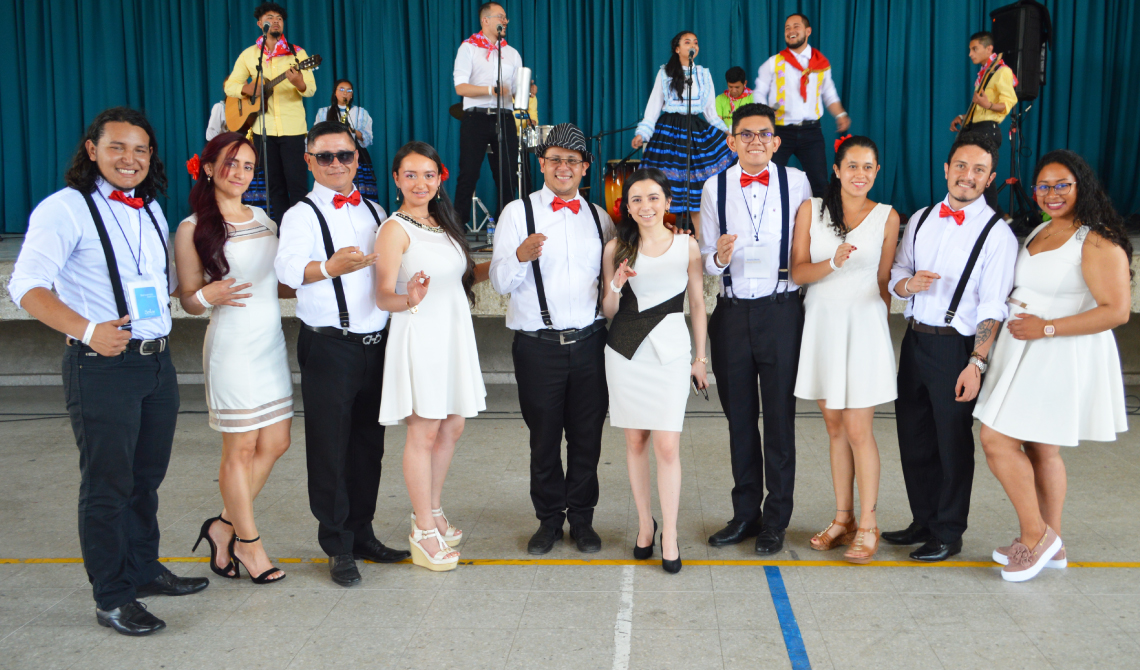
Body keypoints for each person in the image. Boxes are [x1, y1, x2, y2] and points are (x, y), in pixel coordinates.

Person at [7, 107, 208, 635]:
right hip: (101, 366)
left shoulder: (150, 211)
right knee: (107, 485)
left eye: (140, 149)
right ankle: (113, 597)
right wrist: (86, 327)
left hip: (156, 363)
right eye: (117, 147)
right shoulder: (65, 209)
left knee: (146, 479)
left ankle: (142, 569)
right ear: (91, 150)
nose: (130, 159)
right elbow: (26, 287)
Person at [975, 150, 1130, 582]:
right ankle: (1053, 542)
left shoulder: (1096, 239)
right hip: (1024, 346)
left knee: (996, 440)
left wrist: (1046, 328)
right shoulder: (1042, 230)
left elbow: (1116, 310)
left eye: (1062, 185)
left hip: (1055, 350)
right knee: (1042, 447)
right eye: (1044, 186)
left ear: (1082, 186)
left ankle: (1034, 536)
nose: (1052, 194)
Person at [274, 121, 411, 587]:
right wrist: (327, 268)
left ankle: (363, 531)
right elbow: (287, 270)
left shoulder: (376, 210)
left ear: (357, 159)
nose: (337, 164)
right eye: (326, 156)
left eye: (345, 155)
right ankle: (337, 545)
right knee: (330, 449)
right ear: (309, 160)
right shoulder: (301, 214)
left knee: (368, 448)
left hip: (377, 345)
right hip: (330, 345)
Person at [883, 133, 1018, 562]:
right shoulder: (922, 218)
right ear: (946, 169)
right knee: (914, 436)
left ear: (990, 177)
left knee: (952, 443)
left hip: (957, 349)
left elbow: (994, 305)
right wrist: (906, 284)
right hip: (916, 340)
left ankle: (948, 530)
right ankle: (923, 519)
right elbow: (899, 270)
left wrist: (976, 362)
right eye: (961, 166)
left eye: (979, 170)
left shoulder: (998, 234)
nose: (968, 176)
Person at [490, 123, 615, 555]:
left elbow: (615, 281)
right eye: (556, 159)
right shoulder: (516, 213)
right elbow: (499, 282)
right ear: (541, 164)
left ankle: (582, 519)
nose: (564, 167)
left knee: (587, 437)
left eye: (573, 161)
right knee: (543, 438)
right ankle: (548, 520)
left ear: (585, 168)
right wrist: (520, 257)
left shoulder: (601, 219)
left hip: (591, 344)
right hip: (536, 346)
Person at [174, 132, 293, 585]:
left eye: (247, 165)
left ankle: (220, 527)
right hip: (232, 347)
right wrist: (208, 292)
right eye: (230, 163)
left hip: (269, 342)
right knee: (240, 448)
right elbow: (187, 299)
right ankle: (249, 544)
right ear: (207, 168)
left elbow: (276, 278)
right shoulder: (192, 228)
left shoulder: (262, 217)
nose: (240, 173)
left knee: (276, 442)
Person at [699, 103, 811, 555]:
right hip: (730, 314)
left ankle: (776, 520)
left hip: (782, 311)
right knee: (739, 420)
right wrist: (720, 257)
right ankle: (745, 513)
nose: (755, 142)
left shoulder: (797, 181)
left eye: (764, 134)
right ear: (731, 140)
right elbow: (706, 258)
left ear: (776, 141)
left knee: (780, 421)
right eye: (745, 134)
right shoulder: (714, 186)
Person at [374, 142, 488, 572]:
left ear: (439, 178)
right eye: (410, 175)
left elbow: (460, 275)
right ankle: (423, 530)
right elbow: (383, 294)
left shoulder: (443, 222)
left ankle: (434, 508)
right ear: (397, 179)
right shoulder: (394, 229)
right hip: (420, 332)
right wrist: (410, 296)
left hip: (452, 333)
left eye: (428, 175)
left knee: (452, 424)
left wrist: (513, 257)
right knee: (423, 432)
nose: (420, 183)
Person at [790, 135, 900, 564]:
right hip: (822, 325)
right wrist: (833, 263)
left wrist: (872, 323)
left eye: (868, 167)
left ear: (877, 172)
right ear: (836, 170)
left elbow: (885, 281)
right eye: (852, 166)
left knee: (858, 430)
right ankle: (843, 519)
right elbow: (799, 272)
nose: (860, 174)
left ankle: (869, 523)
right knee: (834, 428)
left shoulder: (888, 217)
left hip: (864, 329)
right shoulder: (810, 210)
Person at [602, 168, 708, 574]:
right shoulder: (618, 248)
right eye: (636, 199)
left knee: (667, 446)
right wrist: (615, 284)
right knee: (635, 442)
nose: (645, 206)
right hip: (626, 353)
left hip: (671, 354)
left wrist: (701, 358)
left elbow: (697, 304)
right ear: (626, 207)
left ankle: (671, 535)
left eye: (653, 198)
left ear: (667, 201)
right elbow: (608, 312)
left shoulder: (687, 246)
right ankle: (646, 524)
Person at [632, 30, 733, 236]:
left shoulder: (704, 74)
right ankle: (660, 241)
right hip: (668, 134)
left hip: (696, 133)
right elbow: (653, 108)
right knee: (662, 189)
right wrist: (643, 133)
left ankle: (704, 248)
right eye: (687, 42)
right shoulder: (665, 73)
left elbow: (711, 113)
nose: (693, 45)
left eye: (695, 42)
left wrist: (728, 133)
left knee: (696, 196)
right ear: (677, 49)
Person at [225, 2, 316, 223]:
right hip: (262, 131)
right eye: (270, 17)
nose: (275, 21)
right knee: (273, 186)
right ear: (260, 24)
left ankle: (302, 229)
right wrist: (248, 89)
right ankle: (283, 230)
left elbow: (310, 90)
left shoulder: (298, 53)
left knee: (297, 184)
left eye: (279, 18)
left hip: (293, 130)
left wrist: (299, 82)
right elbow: (230, 86)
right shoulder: (249, 55)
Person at [755, 13, 851, 197]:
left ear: (808, 31)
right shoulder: (774, 62)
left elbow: (829, 94)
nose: (791, 31)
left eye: (796, 26)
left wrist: (840, 115)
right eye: (787, 28)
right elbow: (759, 90)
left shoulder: (820, 64)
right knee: (767, 178)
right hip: (779, 131)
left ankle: (823, 223)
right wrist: (765, 112)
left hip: (811, 133)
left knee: (820, 183)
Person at [452, 2, 522, 224]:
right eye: (500, 16)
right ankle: (457, 228)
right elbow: (460, 87)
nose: (505, 21)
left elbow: (516, 92)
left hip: (505, 116)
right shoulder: (468, 48)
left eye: (506, 17)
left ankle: (507, 225)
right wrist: (490, 90)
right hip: (476, 117)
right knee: (469, 174)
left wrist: (526, 90)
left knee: (507, 176)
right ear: (485, 20)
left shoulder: (511, 53)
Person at [949, 31, 1018, 214]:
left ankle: (991, 223)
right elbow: (980, 109)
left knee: (984, 178)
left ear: (989, 48)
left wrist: (988, 104)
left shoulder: (1002, 71)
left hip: (987, 130)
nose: (970, 53)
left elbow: (1008, 103)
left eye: (974, 49)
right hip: (976, 128)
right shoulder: (986, 73)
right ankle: (1001, 217)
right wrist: (964, 118)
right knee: (975, 176)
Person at [315, 78, 378, 201]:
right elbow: (317, 135)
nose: (345, 93)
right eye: (342, 89)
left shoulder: (360, 112)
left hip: (354, 154)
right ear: (335, 93)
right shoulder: (323, 112)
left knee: (360, 189)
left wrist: (353, 131)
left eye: (349, 90)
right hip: (331, 155)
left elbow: (368, 138)